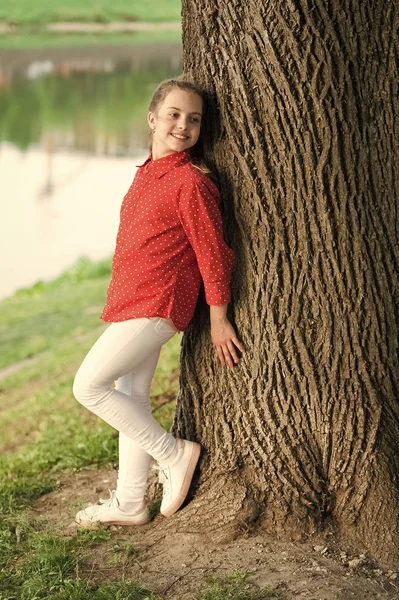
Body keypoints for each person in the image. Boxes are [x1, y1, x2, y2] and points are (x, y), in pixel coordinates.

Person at [73, 78, 244, 528]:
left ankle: (174, 454)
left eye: (193, 119)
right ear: (152, 119)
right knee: (130, 396)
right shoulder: (147, 172)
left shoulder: (190, 182)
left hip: (158, 304)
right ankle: (130, 502)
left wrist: (220, 316)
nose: (183, 126)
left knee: (88, 386)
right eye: (173, 115)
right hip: (133, 300)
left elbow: (213, 252)